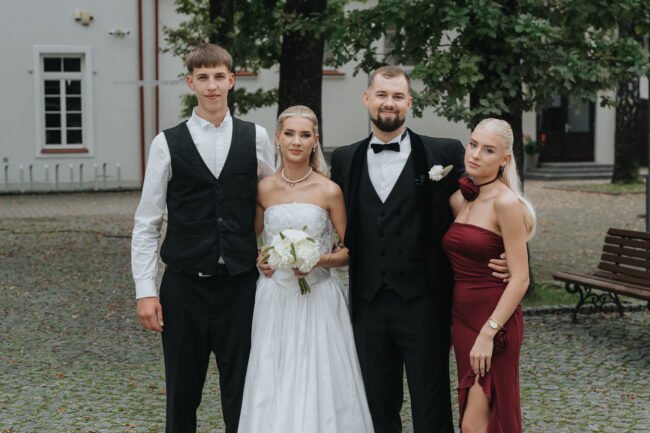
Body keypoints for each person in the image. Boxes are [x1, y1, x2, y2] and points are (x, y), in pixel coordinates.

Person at [330, 66, 509, 433]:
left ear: (409, 102)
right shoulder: (345, 159)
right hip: (367, 303)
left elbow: (488, 200)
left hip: (425, 303)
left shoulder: (444, 152)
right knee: (377, 406)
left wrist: (507, 250)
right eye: (382, 95)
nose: (389, 103)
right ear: (367, 98)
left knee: (431, 406)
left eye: (397, 96)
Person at [130, 43, 275, 433]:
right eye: (203, 77)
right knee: (182, 393)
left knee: (243, 392)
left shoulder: (256, 137)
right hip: (184, 287)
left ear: (232, 80)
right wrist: (145, 291)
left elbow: (273, 203)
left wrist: (274, 254)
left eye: (219, 77)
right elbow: (146, 222)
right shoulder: (166, 143)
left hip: (241, 286)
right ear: (190, 82)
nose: (212, 85)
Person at [237, 105, 374, 433]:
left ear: (316, 141)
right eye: (289, 133)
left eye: (304, 135)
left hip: (319, 297)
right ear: (277, 138)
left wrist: (319, 260)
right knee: (273, 375)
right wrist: (260, 258)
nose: (296, 141)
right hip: (275, 297)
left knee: (321, 374)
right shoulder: (263, 188)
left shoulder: (329, 190)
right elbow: (249, 241)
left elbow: (351, 252)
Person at [442, 118, 536, 433]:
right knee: (474, 419)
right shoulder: (459, 200)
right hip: (462, 319)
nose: (475, 154)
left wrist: (488, 332)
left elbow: (521, 278)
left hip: (495, 322)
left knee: (475, 424)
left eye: (488, 150)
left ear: (505, 159)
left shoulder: (505, 203)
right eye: (473, 144)